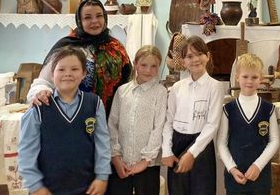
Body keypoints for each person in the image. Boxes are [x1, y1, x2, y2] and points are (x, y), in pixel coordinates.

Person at [19, 46, 111, 195]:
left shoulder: (94, 103)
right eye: (61, 69)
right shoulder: (39, 107)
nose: (68, 74)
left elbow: (103, 144)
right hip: (48, 189)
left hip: (88, 187)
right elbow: (26, 151)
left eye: (74, 69)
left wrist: (102, 176)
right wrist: (35, 186)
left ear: (84, 73)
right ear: (52, 74)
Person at [27, 0, 132, 115]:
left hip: (110, 118)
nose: (94, 21)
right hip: (71, 115)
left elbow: (128, 83)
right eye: (87, 17)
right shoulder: (67, 47)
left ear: (105, 18)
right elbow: (44, 82)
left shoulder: (116, 48)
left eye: (99, 16)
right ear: (79, 21)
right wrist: (41, 92)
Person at [162, 36, 224, 195]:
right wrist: (167, 150)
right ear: (183, 61)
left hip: (201, 146)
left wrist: (192, 153)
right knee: (177, 190)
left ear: (207, 56)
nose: (195, 59)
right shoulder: (177, 88)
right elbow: (169, 121)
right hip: (177, 144)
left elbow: (212, 125)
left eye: (199, 54)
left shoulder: (215, 87)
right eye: (189, 56)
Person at [107, 46, 168, 195]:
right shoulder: (122, 91)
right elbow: (112, 125)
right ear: (135, 64)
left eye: (154, 66)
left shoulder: (160, 92)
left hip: (147, 166)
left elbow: (159, 127)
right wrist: (115, 157)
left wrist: (145, 161)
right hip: (120, 163)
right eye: (144, 65)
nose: (148, 70)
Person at [217, 53, 280, 195]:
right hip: (235, 176)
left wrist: (258, 166)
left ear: (261, 79)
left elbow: (275, 140)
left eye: (254, 77)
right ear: (237, 77)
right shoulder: (228, 109)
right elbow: (221, 142)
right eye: (245, 76)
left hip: (261, 176)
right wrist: (232, 168)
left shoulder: (268, 108)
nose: (249, 81)